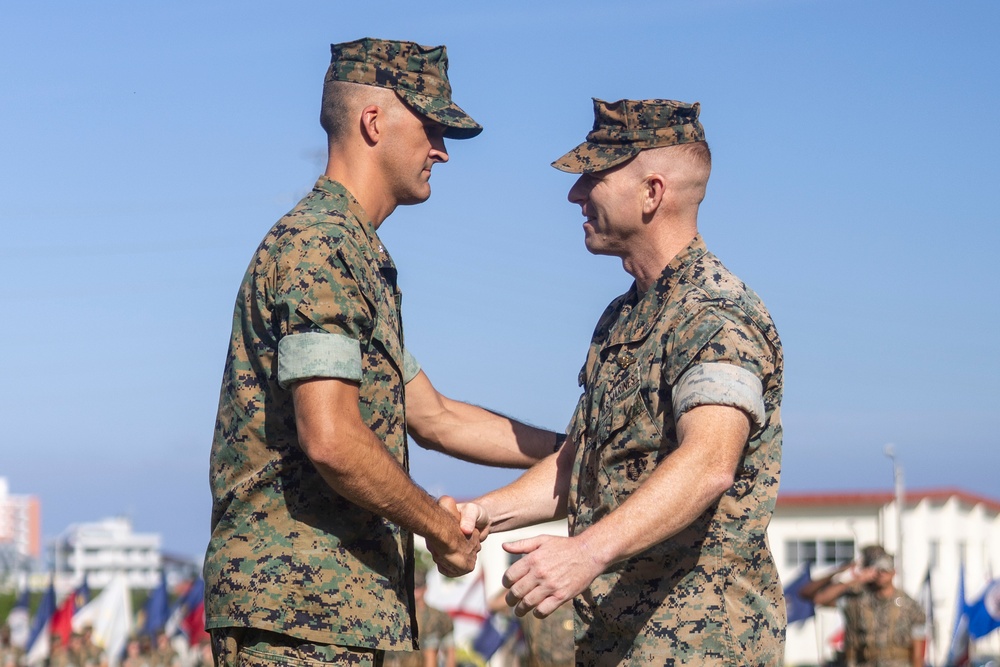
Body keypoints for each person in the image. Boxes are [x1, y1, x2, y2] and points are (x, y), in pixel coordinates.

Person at [204, 37, 561, 667]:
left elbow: (433, 416)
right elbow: (332, 437)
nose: (441, 152)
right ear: (374, 122)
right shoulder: (323, 248)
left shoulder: (356, 255)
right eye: (431, 129)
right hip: (297, 614)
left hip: (329, 615)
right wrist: (438, 526)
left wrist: (572, 451)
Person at [462, 98, 785, 665]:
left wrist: (585, 552)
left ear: (652, 193)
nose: (575, 194)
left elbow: (709, 461)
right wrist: (480, 517)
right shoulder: (625, 313)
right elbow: (577, 469)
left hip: (699, 645)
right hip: (617, 640)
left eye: (594, 177)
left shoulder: (713, 312)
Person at [810, 546, 926, 667]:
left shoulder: (910, 606)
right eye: (877, 570)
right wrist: (853, 579)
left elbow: (918, 654)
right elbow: (820, 599)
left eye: (885, 570)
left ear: (893, 572)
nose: (881, 574)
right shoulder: (858, 601)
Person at [384, 566, 456, 667]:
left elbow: (448, 651)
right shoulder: (393, 613)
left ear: (425, 588)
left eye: (416, 587)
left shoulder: (437, 618)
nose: (412, 591)